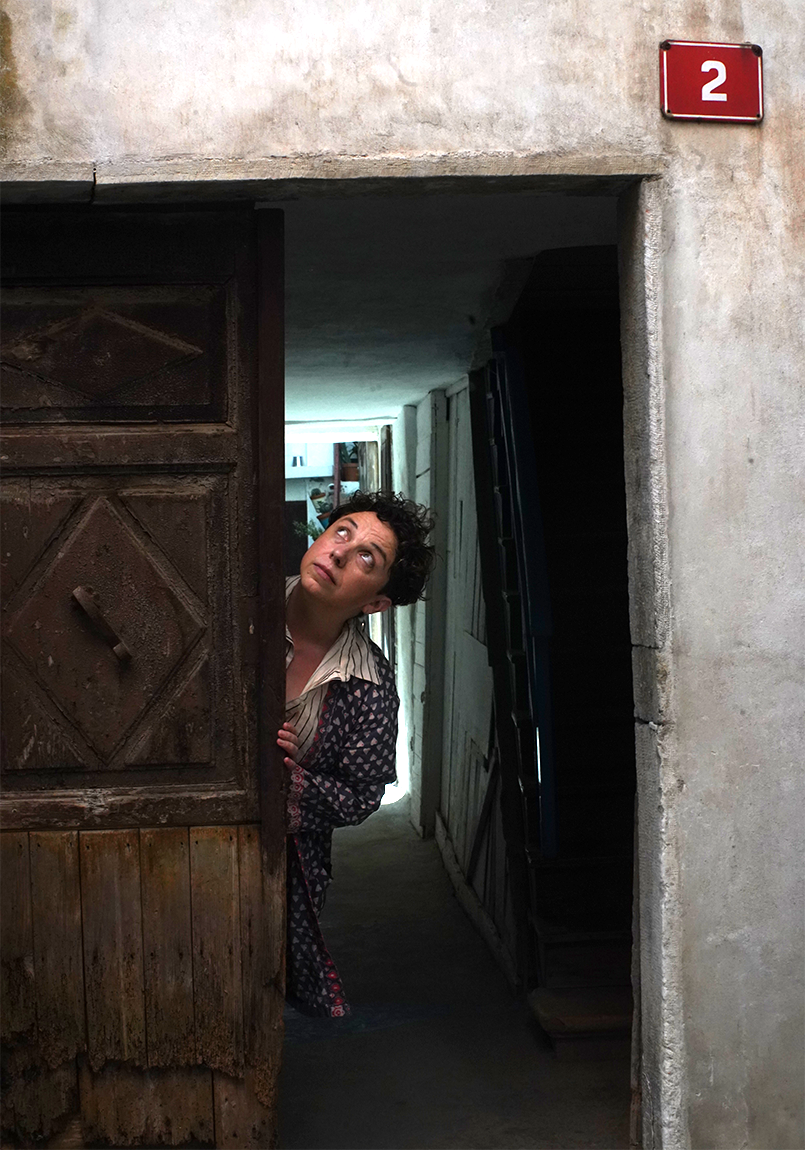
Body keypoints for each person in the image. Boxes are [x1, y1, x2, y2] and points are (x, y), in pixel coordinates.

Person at [278, 491, 435, 1017]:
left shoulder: (368, 684)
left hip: (282, 870)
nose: (342, 553)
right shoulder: (238, 612)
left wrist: (290, 780)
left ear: (376, 603)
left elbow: (363, 794)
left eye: (369, 557)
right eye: (342, 532)